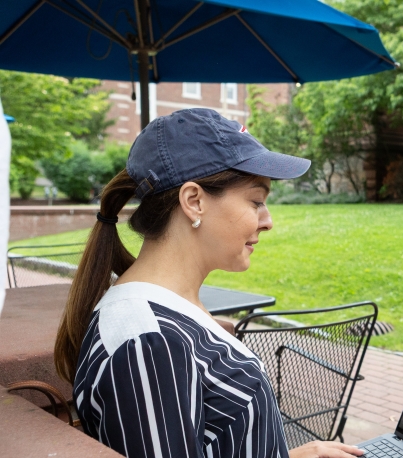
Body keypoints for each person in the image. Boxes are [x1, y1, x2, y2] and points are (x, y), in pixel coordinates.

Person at [53, 109, 365, 458]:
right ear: (194, 201)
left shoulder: (165, 316)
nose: (268, 221)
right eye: (256, 201)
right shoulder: (150, 344)